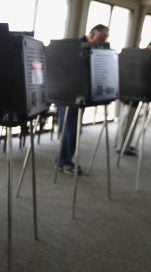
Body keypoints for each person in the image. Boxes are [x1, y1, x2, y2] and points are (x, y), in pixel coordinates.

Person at [58, 24, 109, 175]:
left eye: (105, 38)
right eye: (101, 38)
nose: (103, 41)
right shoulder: (74, 46)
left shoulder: (95, 48)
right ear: (92, 35)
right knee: (70, 130)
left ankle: (63, 160)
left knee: (73, 130)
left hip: (81, 95)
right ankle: (64, 162)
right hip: (67, 94)